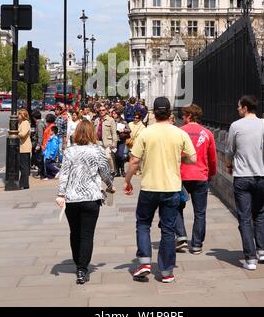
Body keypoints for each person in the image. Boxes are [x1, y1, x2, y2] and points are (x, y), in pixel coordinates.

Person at [124, 97, 197, 283]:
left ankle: (144, 263)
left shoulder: (146, 134)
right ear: (170, 112)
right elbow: (193, 158)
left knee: (143, 224)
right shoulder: (179, 133)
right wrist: (179, 160)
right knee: (168, 229)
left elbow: (134, 161)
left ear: (153, 112)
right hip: (171, 187)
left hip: (149, 187)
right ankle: (166, 271)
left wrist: (128, 180)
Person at [56, 121, 115, 284]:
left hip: (72, 198)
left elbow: (64, 174)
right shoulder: (98, 150)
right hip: (91, 198)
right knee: (87, 234)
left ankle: (78, 263)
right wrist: (111, 186)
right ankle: (82, 269)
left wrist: (60, 194)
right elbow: (105, 172)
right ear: (92, 133)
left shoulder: (69, 151)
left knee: (74, 232)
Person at [225, 95, 264, 270]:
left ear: (245, 108)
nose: (237, 109)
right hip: (261, 176)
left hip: (242, 177)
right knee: (259, 213)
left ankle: (250, 259)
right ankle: (262, 252)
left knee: (244, 218)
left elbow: (229, 150)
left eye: (239, 107)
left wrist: (229, 165)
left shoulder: (236, 126)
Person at [175, 104, 217, 254]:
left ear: (189, 116)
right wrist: (210, 173)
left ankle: (181, 236)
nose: (183, 118)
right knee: (200, 212)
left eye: (184, 115)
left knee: (177, 208)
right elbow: (212, 158)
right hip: (200, 176)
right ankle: (197, 244)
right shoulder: (207, 134)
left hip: (182, 176)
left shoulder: (179, 132)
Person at [94, 105, 117, 175]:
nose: (101, 111)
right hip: (98, 142)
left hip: (108, 142)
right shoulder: (96, 120)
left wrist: (114, 143)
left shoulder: (111, 120)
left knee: (108, 157)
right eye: (100, 110)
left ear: (106, 111)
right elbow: (94, 131)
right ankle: (102, 172)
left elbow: (114, 132)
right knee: (99, 158)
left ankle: (112, 171)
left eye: (103, 110)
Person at [18, 109, 32, 190]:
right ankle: (23, 184)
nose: (18, 116)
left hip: (25, 147)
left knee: (24, 167)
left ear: (23, 115)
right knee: (22, 166)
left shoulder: (25, 123)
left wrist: (15, 132)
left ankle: (25, 184)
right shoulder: (22, 123)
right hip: (22, 147)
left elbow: (23, 134)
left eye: (19, 115)